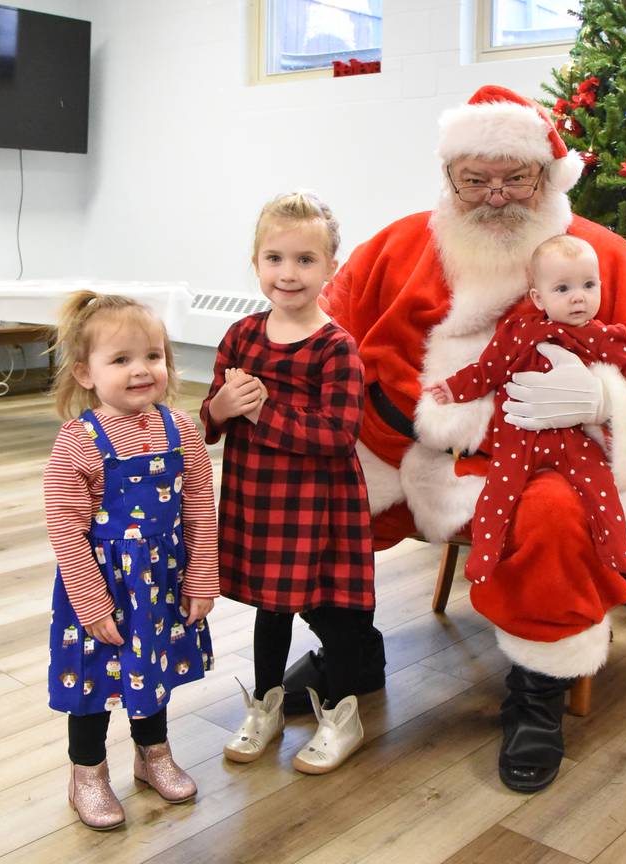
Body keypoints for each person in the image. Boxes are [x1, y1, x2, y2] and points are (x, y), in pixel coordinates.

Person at [291, 85, 626, 793]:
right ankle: (351, 650)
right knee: (296, 495)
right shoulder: (396, 246)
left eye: (516, 178)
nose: (495, 197)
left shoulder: (596, 254)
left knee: (551, 515)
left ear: (549, 176)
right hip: (400, 445)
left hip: (546, 454)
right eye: (474, 179)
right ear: (448, 178)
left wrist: (606, 396)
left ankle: (538, 691)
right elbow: (318, 337)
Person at [200, 191, 375, 775]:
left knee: (339, 612)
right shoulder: (241, 336)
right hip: (257, 499)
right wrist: (221, 408)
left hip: (320, 508)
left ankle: (342, 714)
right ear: (256, 263)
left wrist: (260, 413)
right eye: (275, 258)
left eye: (305, 260)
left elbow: (336, 434)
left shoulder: (336, 347)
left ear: (330, 267)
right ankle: (267, 703)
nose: (288, 273)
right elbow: (209, 421)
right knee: (269, 609)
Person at [45, 291, 219, 830]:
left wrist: (202, 576)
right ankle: (88, 773)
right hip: (101, 585)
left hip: (162, 580)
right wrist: (90, 599)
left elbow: (198, 507)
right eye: (120, 360)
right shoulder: (79, 441)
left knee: (154, 667)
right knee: (93, 681)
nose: (141, 370)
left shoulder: (181, 428)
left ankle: (152, 753)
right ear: (86, 373)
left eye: (152, 356)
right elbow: (65, 528)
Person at [426, 232, 626, 587]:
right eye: (563, 289)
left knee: (599, 481)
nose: (578, 297)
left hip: (570, 435)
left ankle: (616, 546)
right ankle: (484, 551)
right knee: (499, 489)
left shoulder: (604, 337)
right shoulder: (517, 331)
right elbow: (487, 370)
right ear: (538, 298)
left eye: (589, 285)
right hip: (518, 432)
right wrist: (452, 388)